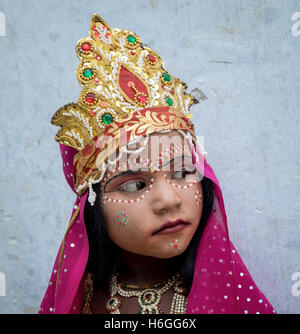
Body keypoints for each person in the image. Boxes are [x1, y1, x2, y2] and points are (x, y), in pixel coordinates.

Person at [39, 14, 276, 314]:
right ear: (93, 204)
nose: (169, 200)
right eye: (135, 184)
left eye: (182, 172)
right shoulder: (83, 299)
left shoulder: (230, 295)